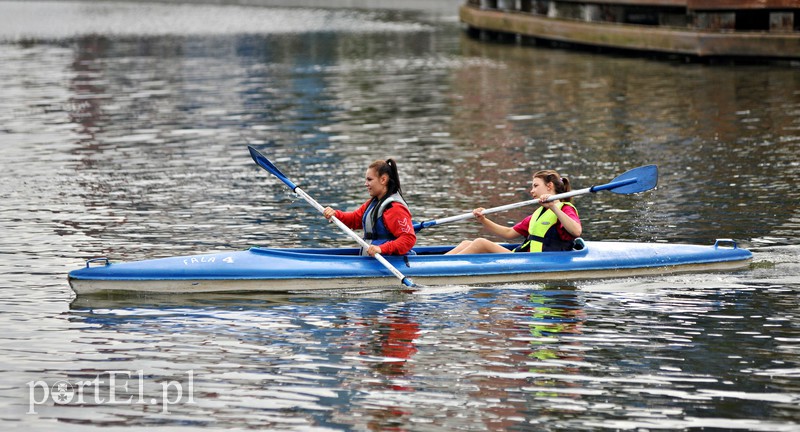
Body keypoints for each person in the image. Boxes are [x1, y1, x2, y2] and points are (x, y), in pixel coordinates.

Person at [445, 170, 582, 255]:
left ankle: (443, 269)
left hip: (542, 260)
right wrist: (483, 220)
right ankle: (435, 264)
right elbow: (508, 233)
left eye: (535, 186)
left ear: (549, 186)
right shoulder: (538, 213)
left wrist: (553, 207)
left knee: (481, 242)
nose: (532, 190)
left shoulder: (565, 208)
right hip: (525, 257)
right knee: (465, 243)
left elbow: (576, 231)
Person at [323, 159, 416, 256]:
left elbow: (408, 239)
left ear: (383, 180)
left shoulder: (394, 208)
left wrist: (381, 248)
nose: (365, 184)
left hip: (389, 261)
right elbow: (355, 219)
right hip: (371, 260)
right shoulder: (373, 203)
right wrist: (335, 214)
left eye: (369, 179)